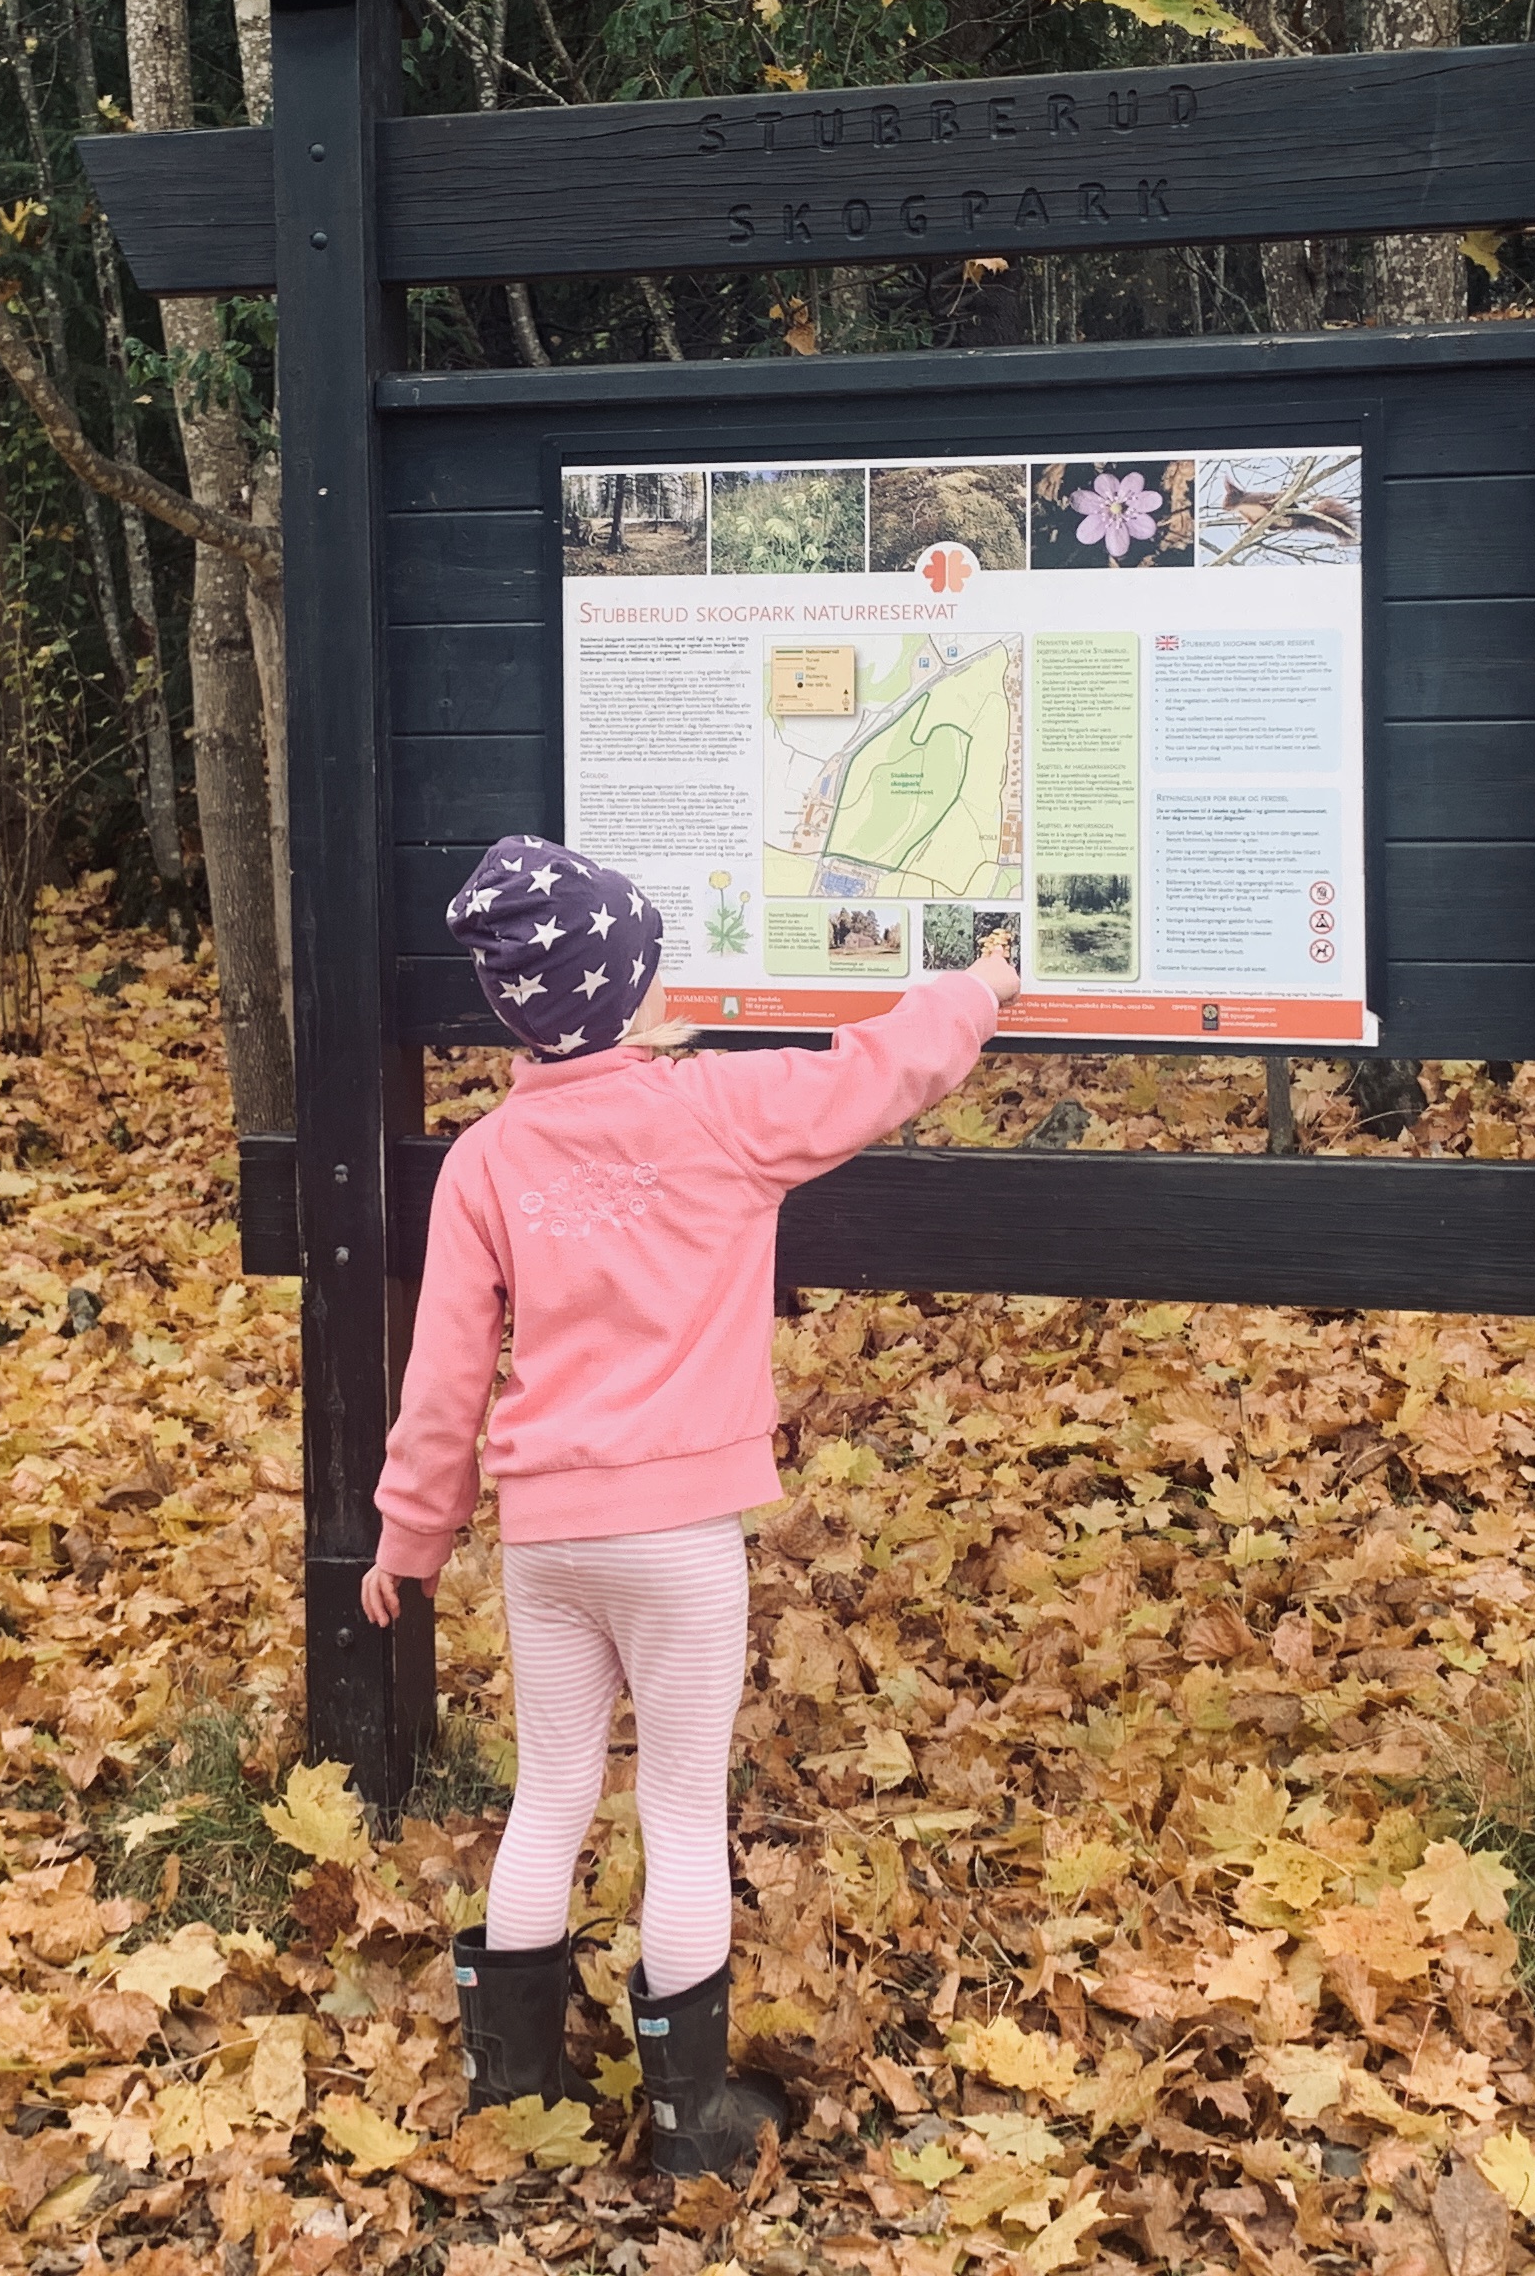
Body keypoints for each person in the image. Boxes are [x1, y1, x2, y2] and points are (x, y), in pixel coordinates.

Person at [366, 835, 1018, 2176]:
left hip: (547, 1537)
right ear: (628, 996)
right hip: (678, 1541)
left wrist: (410, 1537)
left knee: (549, 1790)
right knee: (676, 1805)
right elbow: (876, 1072)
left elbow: (440, 1378)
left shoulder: (483, 1163)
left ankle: (516, 2092)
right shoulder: (720, 1109)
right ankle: (690, 2122)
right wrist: (978, 989)